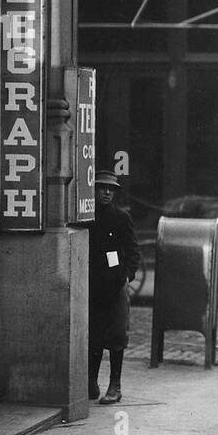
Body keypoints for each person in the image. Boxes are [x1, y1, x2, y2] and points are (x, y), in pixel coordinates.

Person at [86, 170, 140, 404]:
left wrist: (127, 275)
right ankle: (91, 382)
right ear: (93, 190)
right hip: (92, 286)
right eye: (102, 188)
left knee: (117, 335)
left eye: (111, 189)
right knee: (94, 335)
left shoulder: (121, 218)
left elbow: (133, 250)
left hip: (116, 286)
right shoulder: (85, 218)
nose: (107, 192)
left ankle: (115, 386)